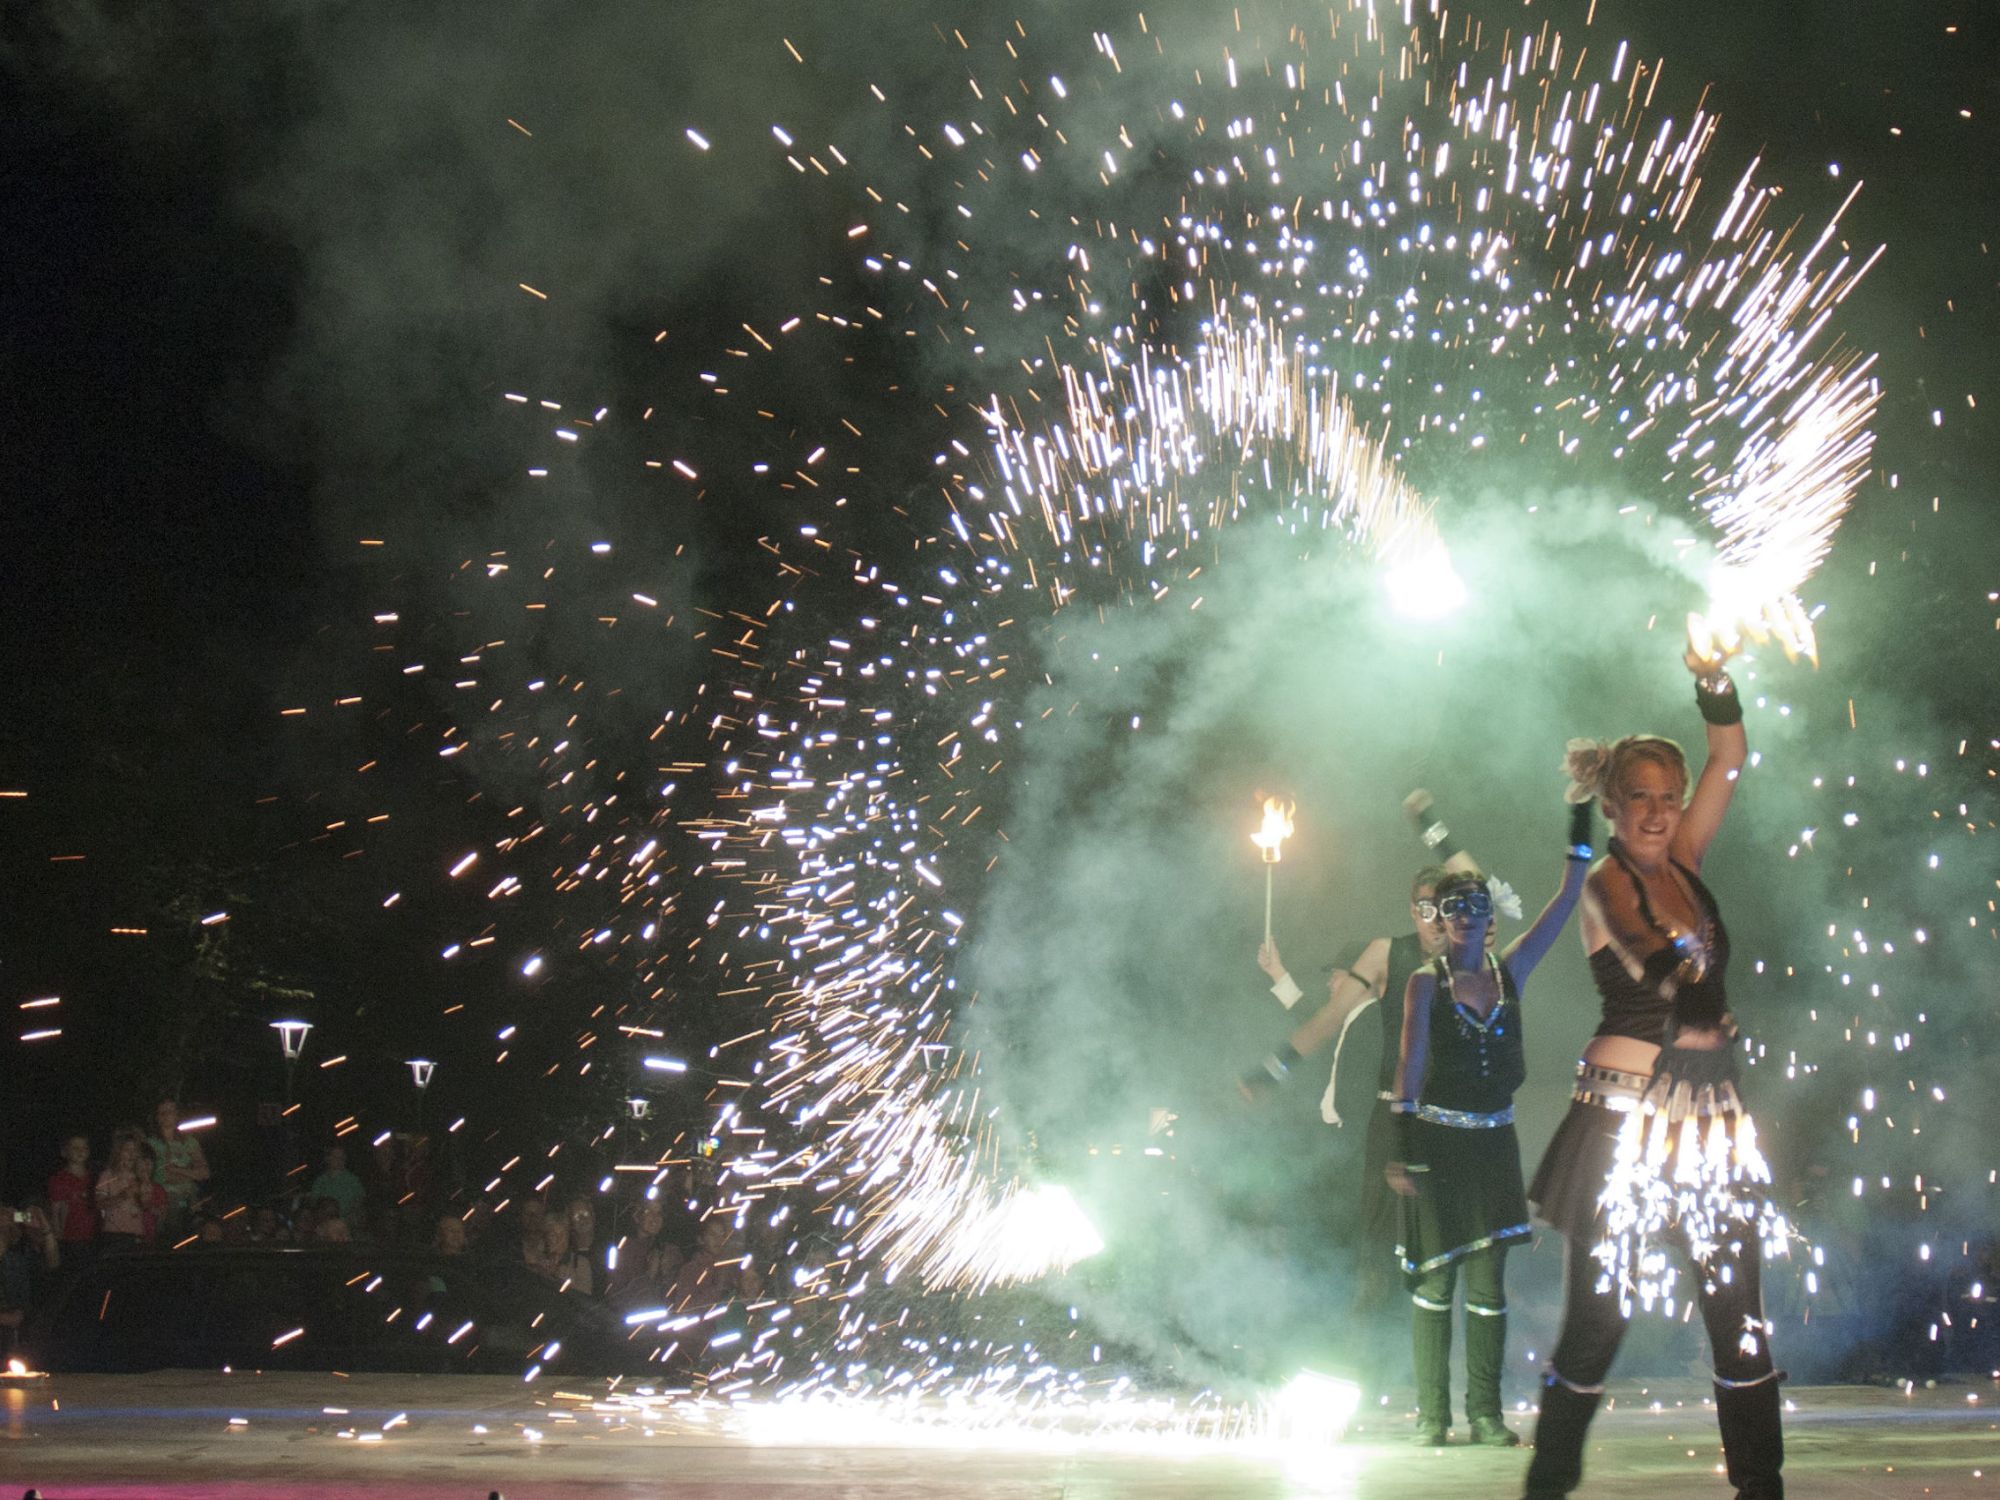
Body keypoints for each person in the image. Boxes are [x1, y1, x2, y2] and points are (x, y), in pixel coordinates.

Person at [1521, 639, 1786, 1500]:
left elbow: (1731, 756)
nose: (1661, 813)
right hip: (1622, 1127)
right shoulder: (1604, 882)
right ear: (1611, 803)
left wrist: (1712, 679)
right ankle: (1547, 1486)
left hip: (1707, 1127)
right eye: (1642, 799)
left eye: (1671, 800)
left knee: (1738, 1322)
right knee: (1598, 1325)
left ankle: (1762, 1489)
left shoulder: (1687, 864)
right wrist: (1696, 1005)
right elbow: (1648, 961)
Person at [1385, 807, 1590, 1447]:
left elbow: (1567, 900)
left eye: (1477, 906)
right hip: (1440, 1144)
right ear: (1440, 923)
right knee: (1437, 1276)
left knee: (1488, 1278)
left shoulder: (1511, 971)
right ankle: (1431, 1416)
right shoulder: (1425, 984)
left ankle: (1485, 1413)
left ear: (1490, 919)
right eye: (1454, 909)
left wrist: (1581, 813)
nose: (1467, 917)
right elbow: (1409, 1065)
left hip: (1494, 1141)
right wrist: (1403, 1149)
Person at [1241, 791, 1481, 1322]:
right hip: (1392, 1117)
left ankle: (1426, 1352)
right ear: (1410, 909)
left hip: (1453, 1117)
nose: (1433, 921)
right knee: (1377, 1243)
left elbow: (1476, 881)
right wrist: (1272, 1070)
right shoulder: (1384, 954)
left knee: (1446, 1244)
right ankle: (1366, 1348)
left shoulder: (1471, 954)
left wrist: (1429, 821)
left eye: (1443, 908)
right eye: (1423, 909)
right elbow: (1325, 1019)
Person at [147, 1100, 210, 1243]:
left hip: (190, 1202)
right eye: (162, 1112)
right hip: (163, 1202)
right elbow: (157, 1175)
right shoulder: (150, 1143)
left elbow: (204, 1172)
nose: (165, 1116)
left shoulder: (189, 1142)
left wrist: (178, 1170)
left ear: (176, 1115)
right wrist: (186, 1173)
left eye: (169, 1112)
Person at [94, 1129, 162, 1251]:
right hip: (113, 1235)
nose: (132, 1154)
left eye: (135, 1150)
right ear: (119, 1151)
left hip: (136, 1235)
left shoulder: (140, 1177)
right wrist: (122, 1196)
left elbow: (145, 1204)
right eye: (127, 1150)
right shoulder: (108, 1176)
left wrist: (143, 1189)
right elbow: (99, 1203)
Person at [47, 1134, 99, 1252]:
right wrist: (58, 1235)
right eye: (75, 1148)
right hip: (70, 1237)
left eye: (84, 1148)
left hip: (92, 1235)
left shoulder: (94, 1178)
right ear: (64, 1152)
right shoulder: (59, 1179)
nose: (80, 1151)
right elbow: (55, 1210)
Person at [307, 1144, 365, 1228]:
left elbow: (359, 1202)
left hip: (346, 1225)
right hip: (325, 1226)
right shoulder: (320, 1181)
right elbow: (314, 1204)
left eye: (341, 1157)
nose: (339, 1160)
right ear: (327, 1159)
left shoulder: (353, 1180)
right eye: (335, 1156)